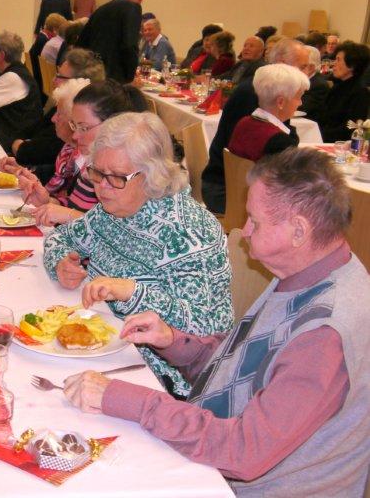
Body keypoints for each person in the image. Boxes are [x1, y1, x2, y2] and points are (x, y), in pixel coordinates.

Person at [63, 148, 370, 495]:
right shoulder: (309, 273)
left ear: (298, 231)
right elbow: (248, 369)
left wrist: (127, 399)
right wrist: (174, 342)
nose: (245, 231)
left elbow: (243, 452)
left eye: (255, 221)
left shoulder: (325, 334)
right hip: (219, 454)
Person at [45, 111, 232, 396]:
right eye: (97, 172)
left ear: (152, 175)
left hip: (164, 378)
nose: (101, 187)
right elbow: (60, 237)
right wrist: (60, 263)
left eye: (116, 177)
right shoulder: (112, 210)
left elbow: (203, 331)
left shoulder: (189, 234)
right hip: (108, 346)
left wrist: (133, 292)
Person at [202, 38, 309, 214]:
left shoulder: (252, 114)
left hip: (230, 185)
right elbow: (282, 170)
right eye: (302, 67)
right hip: (228, 191)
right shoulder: (255, 94)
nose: (306, 72)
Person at [17, 80, 141, 226]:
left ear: (112, 125)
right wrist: (48, 201)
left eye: (84, 128)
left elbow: (117, 229)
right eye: (74, 126)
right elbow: (76, 206)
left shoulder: (128, 172)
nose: (75, 136)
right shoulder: (93, 167)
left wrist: (68, 215)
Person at [8, 49, 105, 179]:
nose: (53, 80)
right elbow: (28, 131)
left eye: (59, 76)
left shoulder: (73, 121)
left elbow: (29, 152)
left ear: (79, 82)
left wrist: (20, 145)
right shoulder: (59, 108)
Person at [227, 64, 309, 161]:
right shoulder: (279, 142)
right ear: (280, 102)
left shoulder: (244, 122)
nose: (300, 103)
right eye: (298, 97)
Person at [78, 0, 145, 83]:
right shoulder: (133, 7)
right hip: (114, 74)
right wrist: (131, 75)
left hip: (93, 71)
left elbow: (82, 41)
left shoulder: (101, 9)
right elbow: (129, 44)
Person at [315, 41, 370, 142]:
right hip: (323, 136)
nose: (334, 64)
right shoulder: (338, 86)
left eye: (338, 60)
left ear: (351, 65)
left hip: (338, 142)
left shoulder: (360, 92)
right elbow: (323, 115)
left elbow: (351, 127)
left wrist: (318, 134)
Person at [29, 13, 66, 100]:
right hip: (39, 79)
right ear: (55, 30)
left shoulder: (41, 37)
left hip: (35, 76)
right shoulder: (44, 40)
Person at [299, 45, 331, 119]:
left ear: (311, 68)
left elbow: (301, 108)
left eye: (300, 65)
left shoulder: (319, 85)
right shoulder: (302, 80)